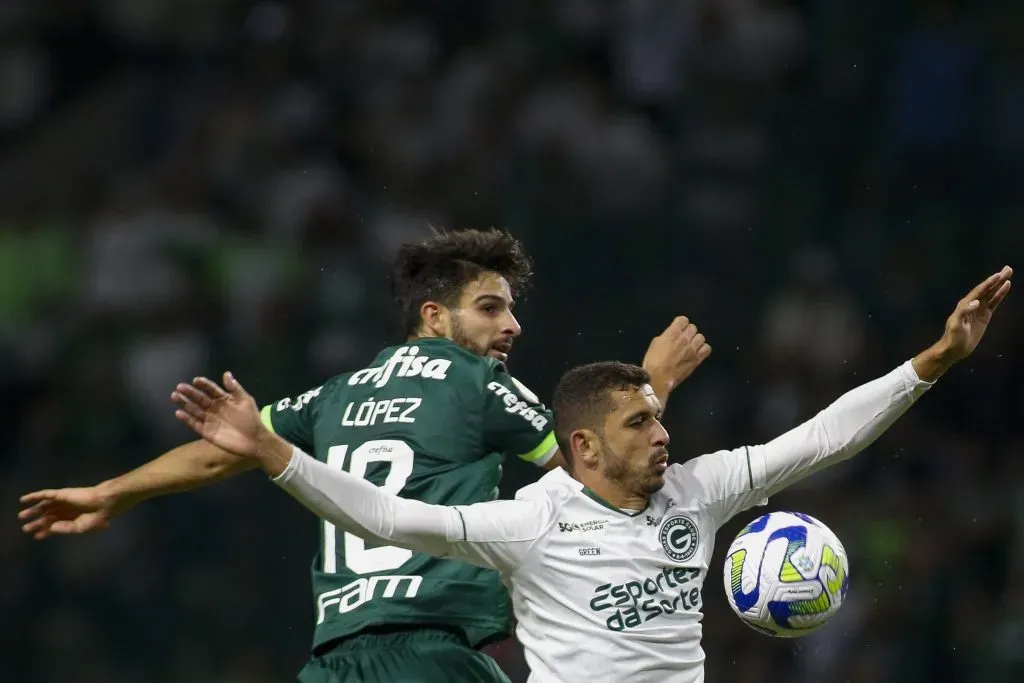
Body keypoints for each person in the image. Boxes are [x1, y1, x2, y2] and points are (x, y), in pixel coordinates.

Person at [167, 267, 1009, 682]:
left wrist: (934, 358)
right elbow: (387, 517)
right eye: (641, 422)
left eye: (660, 415)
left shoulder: (698, 489)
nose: (662, 433)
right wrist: (275, 453)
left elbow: (824, 438)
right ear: (584, 449)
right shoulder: (532, 519)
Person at [19, 228, 711, 683]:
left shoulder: (334, 395)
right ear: (436, 317)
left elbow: (220, 453)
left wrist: (113, 490)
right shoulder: (480, 385)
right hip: (434, 653)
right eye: (491, 308)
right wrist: (654, 385)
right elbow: (596, 474)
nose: (512, 325)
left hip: (332, 661)